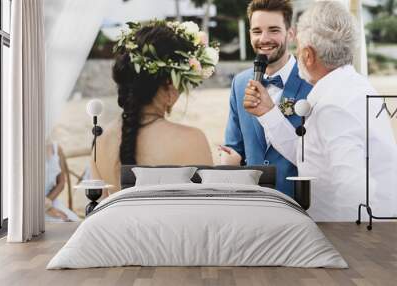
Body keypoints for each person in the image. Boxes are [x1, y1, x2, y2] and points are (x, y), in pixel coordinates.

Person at [243, 1, 397, 221]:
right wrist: (269, 112)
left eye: (298, 48)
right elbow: (309, 154)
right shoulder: (353, 87)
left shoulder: (334, 105)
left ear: (308, 55)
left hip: (346, 239)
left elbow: (353, 192)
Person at [91, 20, 219, 195]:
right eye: (181, 83)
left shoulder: (100, 144)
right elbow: (206, 212)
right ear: (169, 84)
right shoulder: (191, 140)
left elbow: (100, 211)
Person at [221, 0, 312, 197]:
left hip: (299, 203)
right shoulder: (240, 82)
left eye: (273, 30)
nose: (264, 38)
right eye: (256, 31)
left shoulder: (311, 82)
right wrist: (228, 158)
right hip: (253, 202)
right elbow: (234, 147)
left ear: (291, 33)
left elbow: (317, 157)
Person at [45, 142, 80, 222]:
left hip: (51, 199)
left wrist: (47, 203)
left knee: (75, 221)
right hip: (29, 204)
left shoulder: (56, 148)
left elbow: (61, 183)